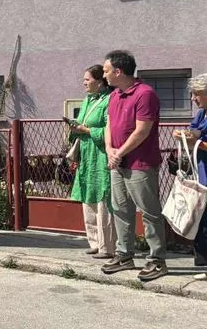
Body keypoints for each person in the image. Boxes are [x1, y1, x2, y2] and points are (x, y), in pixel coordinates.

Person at [100, 50, 168, 282]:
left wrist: (119, 153)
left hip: (140, 163)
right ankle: (124, 255)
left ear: (118, 71)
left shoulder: (144, 94)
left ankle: (157, 260)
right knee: (121, 210)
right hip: (118, 162)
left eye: (107, 70)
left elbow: (142, 131)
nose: (104, 75)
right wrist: (110, 150)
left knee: (149, 212)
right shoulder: (114, 96)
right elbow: (109, 125)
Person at [68, 65, 115, 259]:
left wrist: (87, 131)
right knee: (88, 197)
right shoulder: (88, 99)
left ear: (99, 80)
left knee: (103, 199)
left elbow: (110, 129)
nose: (84, 82)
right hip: (86, 154)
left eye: (87, 79)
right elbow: (82, 122)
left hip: (101, 153)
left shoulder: (110, 99)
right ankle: (94, 242)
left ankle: (107, 246)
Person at [174, 74, 207, 277]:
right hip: (202, 174)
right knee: (204, 221)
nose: (193, 99)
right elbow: (193, 132)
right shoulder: (202, 114)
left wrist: (197, 142)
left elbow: (198, 141)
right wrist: (183, 135)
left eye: (197, 94)